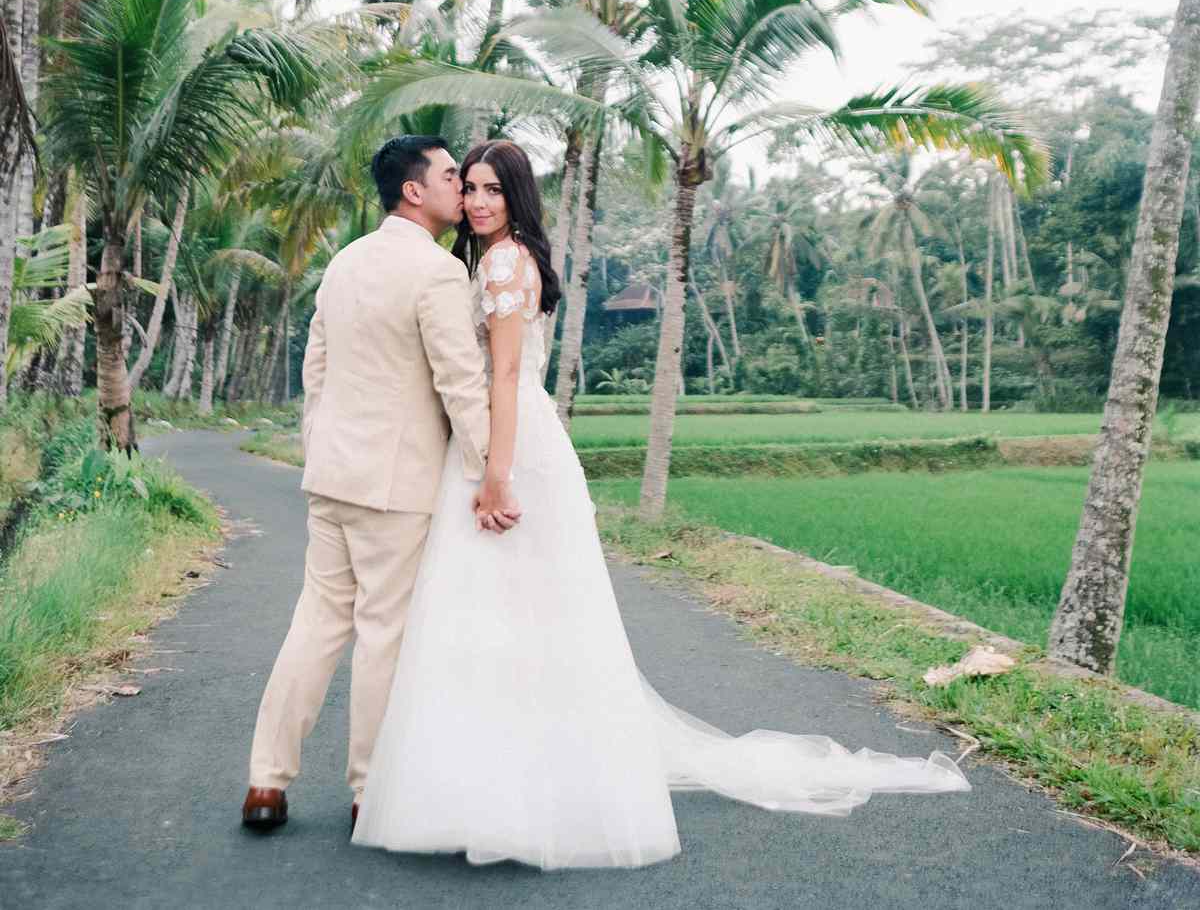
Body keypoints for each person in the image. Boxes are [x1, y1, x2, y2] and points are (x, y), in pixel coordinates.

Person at [352, 140, 970, 871]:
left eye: (495, 190)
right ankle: (494, 783)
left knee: (509, 609)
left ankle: (517, 791)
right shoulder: (492, 260)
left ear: (518, 198)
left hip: (509, 445)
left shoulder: (504, 262)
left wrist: (494, 472)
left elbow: (509, 374)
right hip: (506, 437)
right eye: (473, 189)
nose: (480, 202)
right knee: (502, 614)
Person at [240, 136, 519, 832]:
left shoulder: (346, 261)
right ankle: (369, 790)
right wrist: (491, 475)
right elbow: (460, 382)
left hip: (333, 475)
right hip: (394, 484)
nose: (465, 189)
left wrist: (319, 449)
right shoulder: (435, 273)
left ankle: (265, 784)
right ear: (414, 191)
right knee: (382, 633)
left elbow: (317, 369)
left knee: (316, 624)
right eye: (453, 176)